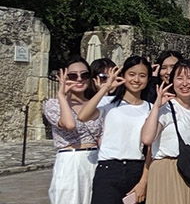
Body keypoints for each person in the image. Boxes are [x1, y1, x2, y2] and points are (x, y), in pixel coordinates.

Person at [77, 56, 154, 204]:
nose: (136, 79)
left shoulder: (150, 108)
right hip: (108, 170)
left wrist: (143, 181)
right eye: (131, 74)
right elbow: (83, 116)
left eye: (142, 75)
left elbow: (150, 149)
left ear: (148, 79)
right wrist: (106, 87)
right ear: (123, 75)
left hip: (136, 169)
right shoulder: (109, 103)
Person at [140, 60, 190, 204]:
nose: (185, 83)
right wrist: (156, 107)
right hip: (167, 170)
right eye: (179, 78)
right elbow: (147, 139)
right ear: (172, 82)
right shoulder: (166, 108)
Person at [45, 57, 102, 204]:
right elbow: (69, 124)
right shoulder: (53, 104)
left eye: (84, 75)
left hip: (95, 158)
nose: (79, 79)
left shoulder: (97, 104)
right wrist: (62, 96)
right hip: (70, 159)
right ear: (62, 76)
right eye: (72, 75)